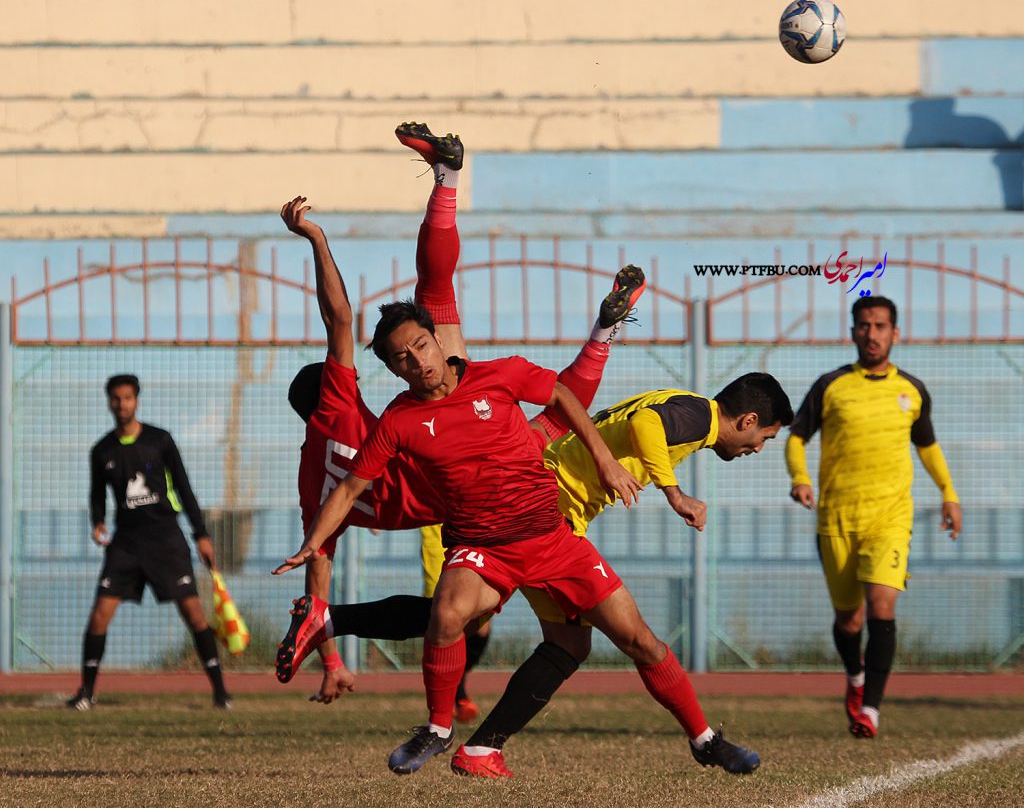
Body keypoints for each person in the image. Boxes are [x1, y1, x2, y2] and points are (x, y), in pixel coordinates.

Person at [274, 301, 770, 781]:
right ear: (393, 369)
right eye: (401, 358)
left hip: (552, 537)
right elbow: (350, 488)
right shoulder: (400, 421)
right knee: (449, 614)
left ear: (437, 341)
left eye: (421, 345)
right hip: (483, 547)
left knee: (636, 640)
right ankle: (438, 729)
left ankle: (705, 740)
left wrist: (604, 460)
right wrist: (311, 544)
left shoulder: (500, 374)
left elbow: (562, 396)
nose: (417, 361)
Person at [280, 121, 646, 709]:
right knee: (447, 303)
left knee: (452, 613)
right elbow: (340, 319)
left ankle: (602, 330)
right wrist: (317, 240)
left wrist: (328, 657)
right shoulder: (340, 402)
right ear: (326, 389)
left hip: (464, 503)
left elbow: (319, 560)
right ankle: (449, 179)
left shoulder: (311, 480)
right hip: (475, 493)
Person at [786, 295, 963, 738]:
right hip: (837, 518)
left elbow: (928, 447)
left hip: (890, 516)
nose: (872, 333)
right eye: (864, 325)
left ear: (895, 333)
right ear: (852, 332)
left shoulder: (913, 390)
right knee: (849, 620)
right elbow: (796, 437)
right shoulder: (830, 385)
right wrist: (800, 478)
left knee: (881, 606)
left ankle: (872, 710)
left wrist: (949, 494)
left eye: (881, 326)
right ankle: (856, 676)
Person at [68, 374, 230, 710]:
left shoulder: (160, 441)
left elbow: (184, 489)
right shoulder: (102, 450)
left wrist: (201, 534)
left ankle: (220, 692)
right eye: (116, 398)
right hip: (126, 543)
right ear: (109, 401)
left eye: (128, 397)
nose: (122, 404)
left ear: (136, 400)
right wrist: (97, 520)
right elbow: (97, 494)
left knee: (194, 614)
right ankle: (86, 693)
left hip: (165, 539)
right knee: (100, 613)